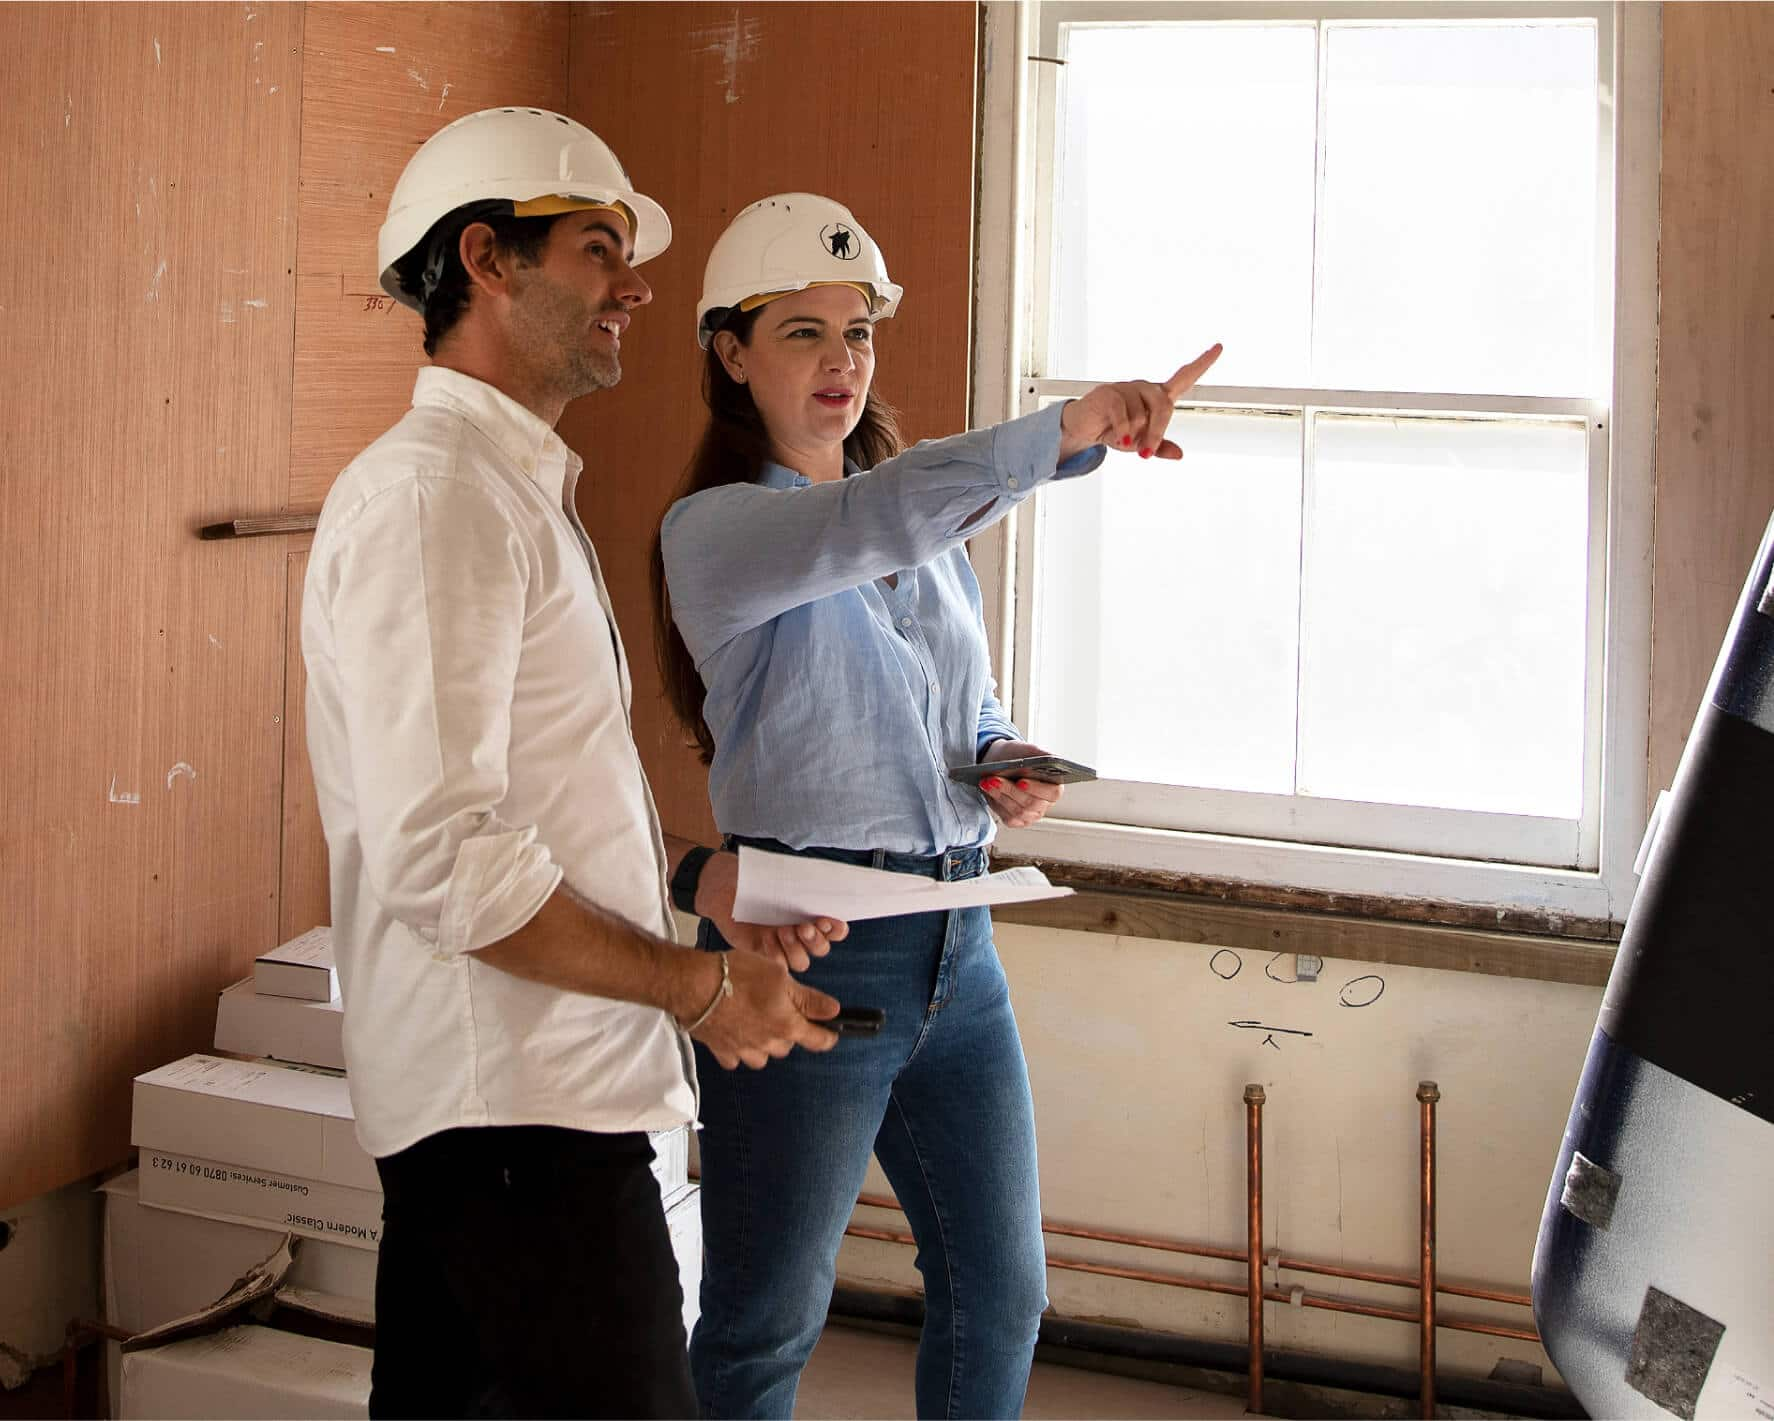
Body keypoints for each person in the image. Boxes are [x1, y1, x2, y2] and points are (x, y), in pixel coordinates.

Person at [302, 116, 850, 1420]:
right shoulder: (438, 498)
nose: (637, 286)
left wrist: (689, 883)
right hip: (515, 1124)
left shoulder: (500, 493)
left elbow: (540, 796)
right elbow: (448, 858)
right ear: (486, 259)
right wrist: (697, 988)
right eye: (599, 248)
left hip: (515, 1115)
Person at [651, 192, 1221, 1420]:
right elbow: (874, 514)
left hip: (962, 950)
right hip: (809, 951)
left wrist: (997, 755)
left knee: (1001, 1289)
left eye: (855, 332)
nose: (840, 359)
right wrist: (1068, 426)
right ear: (730, 353)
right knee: (764, 1319)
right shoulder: (717, 531)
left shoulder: (924, 529)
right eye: (801, 332)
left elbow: (960, 704)